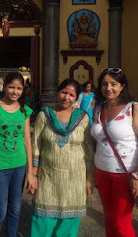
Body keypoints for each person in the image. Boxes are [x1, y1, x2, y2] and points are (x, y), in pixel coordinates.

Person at [91, 68, 138, 237]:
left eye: (114, 84)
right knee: (109, 220)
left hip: (126, 175)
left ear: (122, 87)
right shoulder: (98, 108)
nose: (108, 88)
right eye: (104, 84)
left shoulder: (133, 108)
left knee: (121, 223)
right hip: (102, 172)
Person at [31, 79, 95, 237]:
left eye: (71, 95)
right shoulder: (44, 115)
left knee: (69, 223)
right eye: (64, 92)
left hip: (75, 179)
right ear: (57, 92)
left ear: (76, 98)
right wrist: (32, 174)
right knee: (42, 220)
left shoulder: (82, 118)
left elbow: (88, 149)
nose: (66, 97)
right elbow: (36, 146)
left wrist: (89, 179)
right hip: (48, 176)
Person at [0, 72, 36, 237]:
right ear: (4, 86)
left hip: (19, 167)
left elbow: (28, 140)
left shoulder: (25, 110)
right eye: (11, 87)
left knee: (15, 208)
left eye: (19, 88)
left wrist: (30, 172)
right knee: (0, 211)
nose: (15, 91)